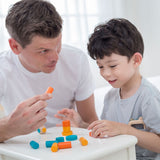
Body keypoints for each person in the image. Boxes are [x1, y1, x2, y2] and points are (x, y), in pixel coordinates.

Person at [0, 0, 98, 142]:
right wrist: (8, 127)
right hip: (21, 149)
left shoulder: (76, 60)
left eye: (58, 45)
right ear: (15, 47)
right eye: (43, 51)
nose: (55, 57)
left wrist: (81, 125)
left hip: (68, 146)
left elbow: (90, 122)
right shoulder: (3, 69)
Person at [87, 18, 160, 159]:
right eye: (100, 66)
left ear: (136, 60)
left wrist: (125, 130)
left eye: (113, 65)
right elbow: (107, 132)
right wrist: (81, 124)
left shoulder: (148, 97)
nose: (106, 73)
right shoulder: (110, 97)